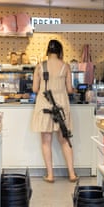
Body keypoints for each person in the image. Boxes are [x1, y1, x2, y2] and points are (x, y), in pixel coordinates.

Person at [31, 39, 78, 183]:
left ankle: (50, 175)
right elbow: (69, 90)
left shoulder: (40, 66)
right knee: (65, 140)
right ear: (60, 52)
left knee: (46, 141)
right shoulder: (66, 66)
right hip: (61, 106)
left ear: (48, 51)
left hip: (45, 105)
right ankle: (72, 174)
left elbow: (34, 89)